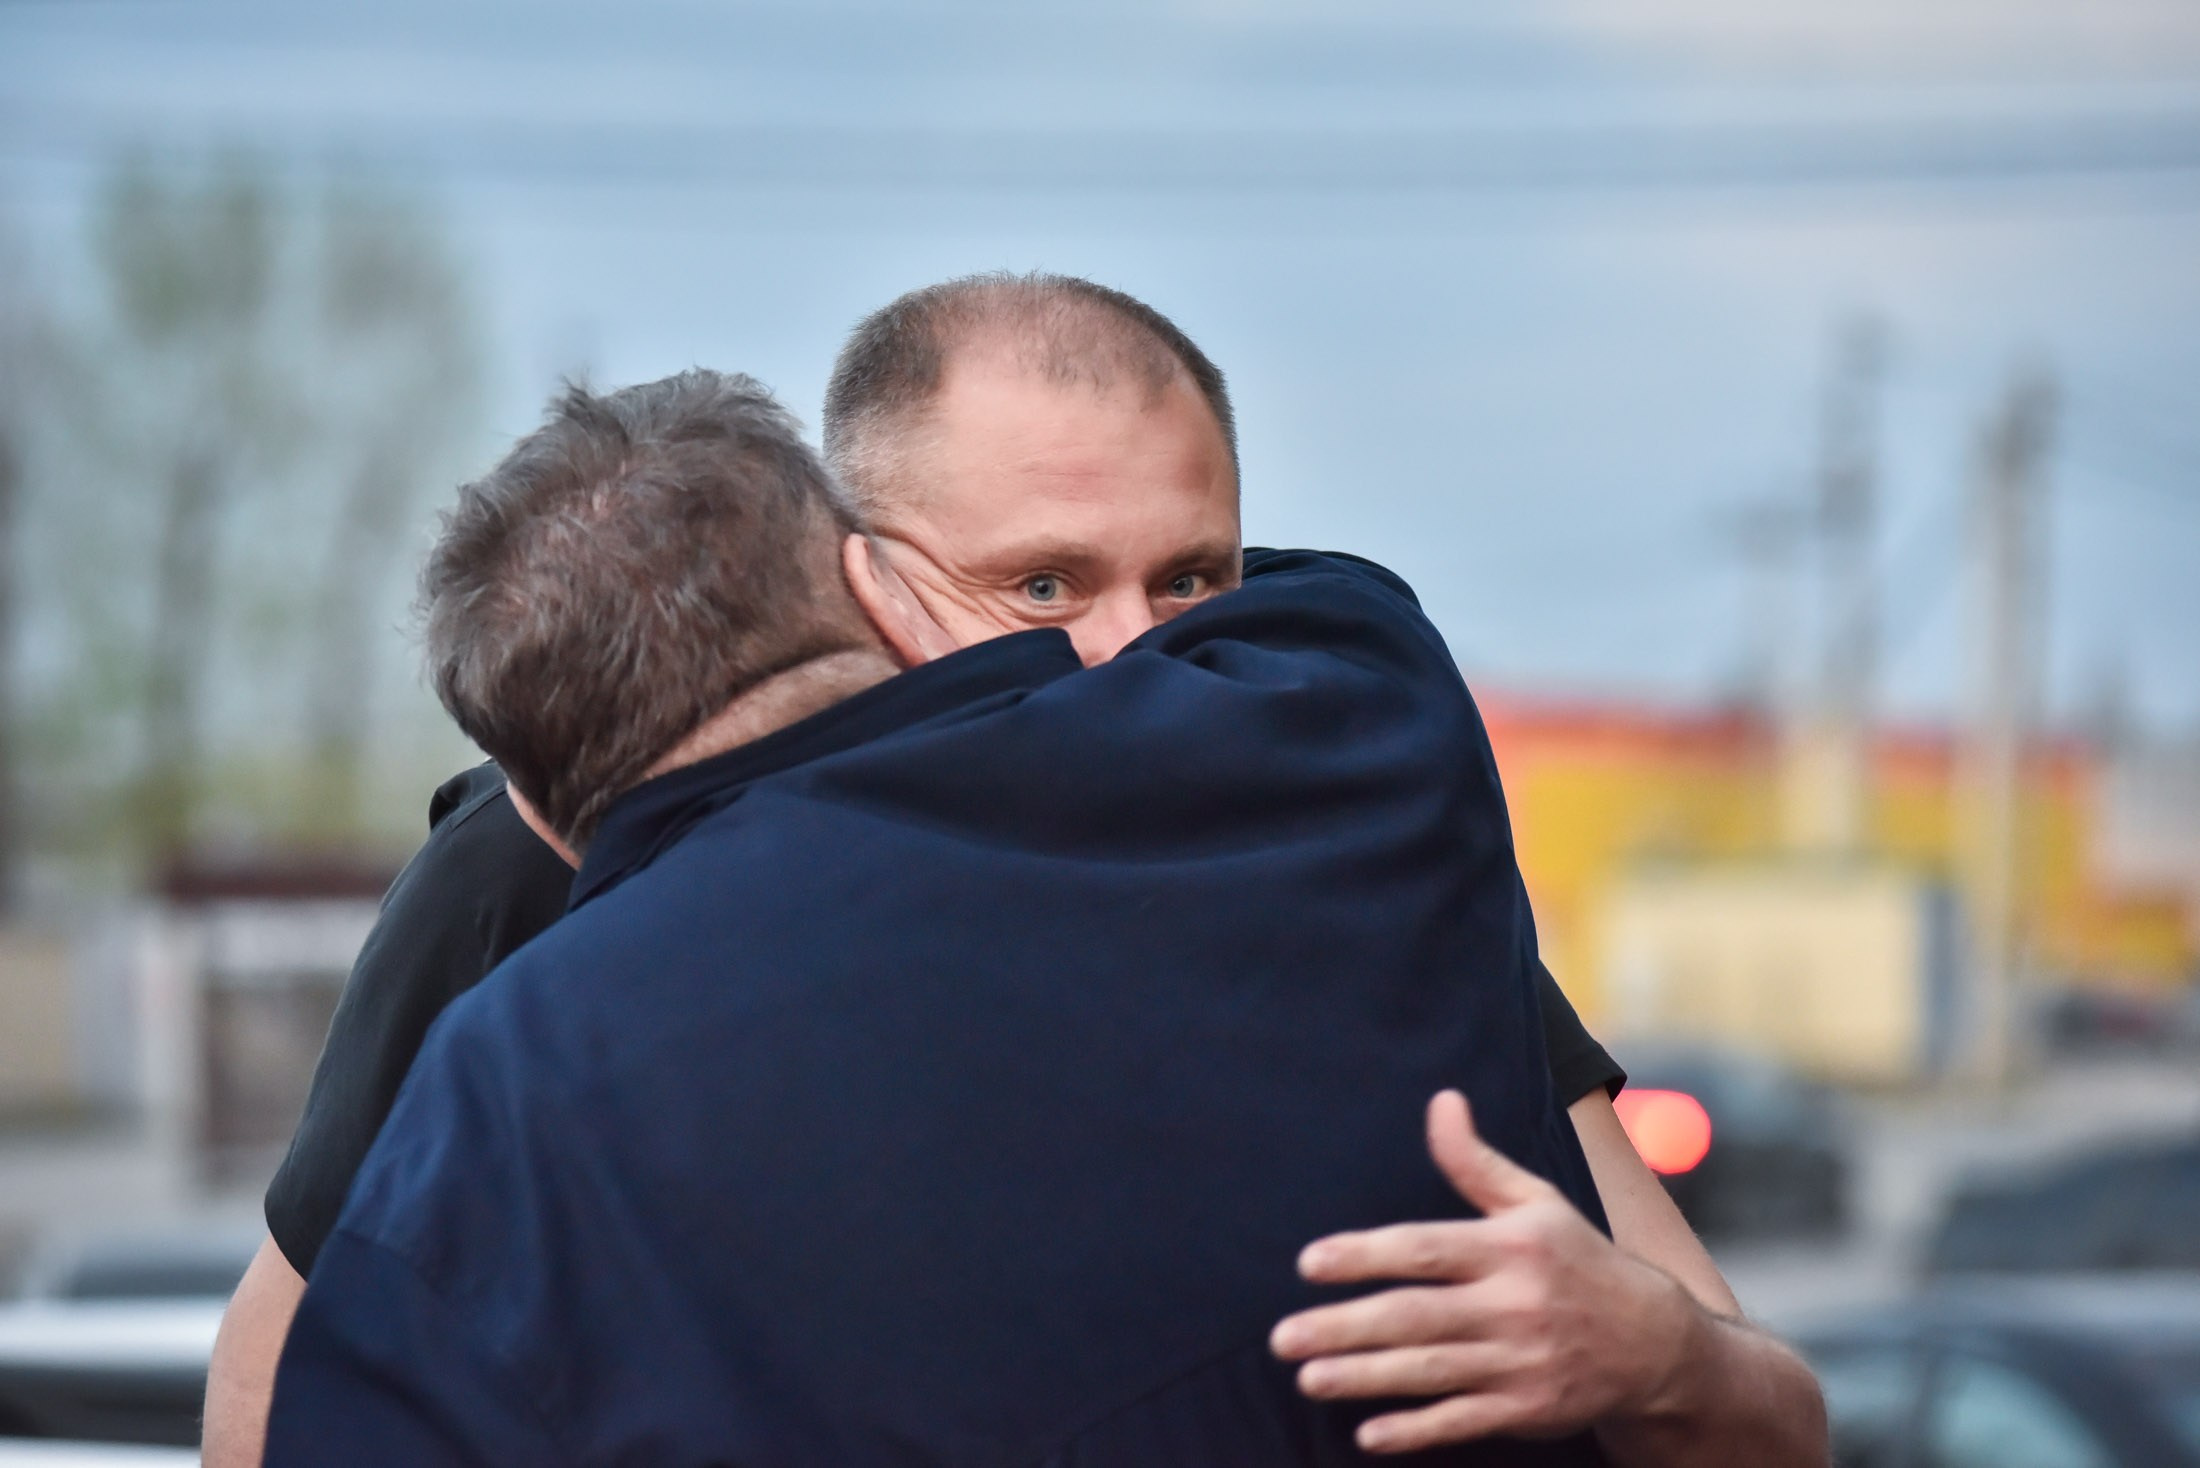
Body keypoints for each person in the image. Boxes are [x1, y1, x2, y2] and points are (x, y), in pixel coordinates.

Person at [209, 274, 1825, 1466]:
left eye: (1195, 582)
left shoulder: (1330, 866)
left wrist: (1654, 1355)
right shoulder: (523, 889)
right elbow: (267, 1405)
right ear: (870, 584)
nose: (1129, 652)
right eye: (1043, 585)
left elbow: (1781, 1423)